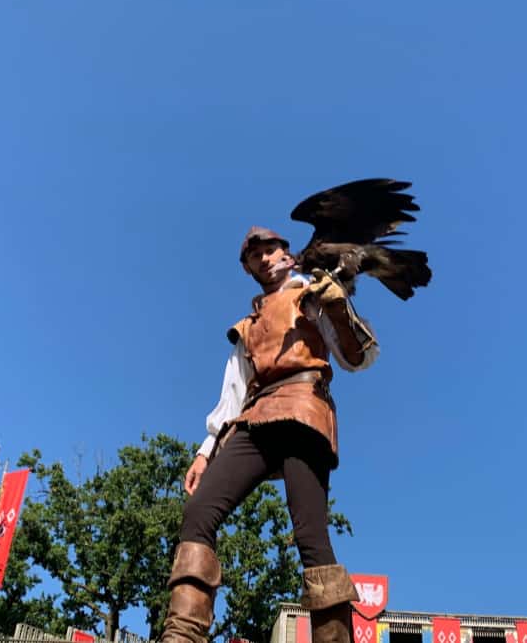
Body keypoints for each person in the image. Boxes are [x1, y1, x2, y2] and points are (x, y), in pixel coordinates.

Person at [161, 227, 379, 643]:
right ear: (247, 269)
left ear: (286, 252)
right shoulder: (247, 326)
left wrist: (337, 307)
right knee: (198, 513)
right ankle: (182, 636)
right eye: (253, 256)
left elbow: (357, 358)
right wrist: (206, 451)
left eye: (270, 249)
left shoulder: (311, 293)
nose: (263, 258)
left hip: (304, 406)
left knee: (311, 538)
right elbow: (233, 394)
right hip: (255, 417)